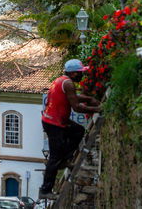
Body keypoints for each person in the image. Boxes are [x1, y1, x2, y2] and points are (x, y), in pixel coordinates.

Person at [39, 59, 101, 200]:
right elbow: (76, 107)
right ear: (73, 73)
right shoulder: (68, 83)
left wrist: (88, 99)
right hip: (54, 123)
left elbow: (71, 97)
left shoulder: (61, 80)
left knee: (78, 131)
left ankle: (65, 159)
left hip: (54, 120)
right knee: (54, 158)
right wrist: (97, 108)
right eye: (80, 73)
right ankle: (45, 190)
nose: (82, 75)